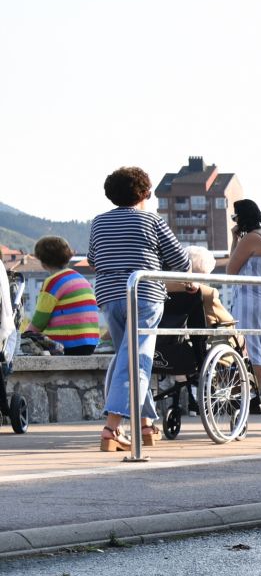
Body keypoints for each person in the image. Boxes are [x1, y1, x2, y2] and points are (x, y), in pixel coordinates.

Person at [89, 165, 189, 450]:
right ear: (145, 192)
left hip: (109, 297)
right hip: (144, 295)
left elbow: (94, 260)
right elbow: (181, 262)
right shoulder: (152, 221)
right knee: (137, 362)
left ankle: (145, 425)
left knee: (127, 358)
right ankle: (113, 428)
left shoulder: (99, 222)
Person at [225, 198, 261, 415]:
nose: (234, 220)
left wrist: (235, 239)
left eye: (234, 216)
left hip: (250, 299)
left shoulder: (250, 239)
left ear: (242, 217)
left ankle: (251, 400)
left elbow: (231, 270)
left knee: (252, 348)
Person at [28, 236, 101, 355]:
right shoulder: (81, 279)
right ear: (67, 258)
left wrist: (23, 337)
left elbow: (38, 323)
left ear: (43, 262)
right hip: (91, 344)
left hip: (67, 345)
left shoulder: (52, 282)